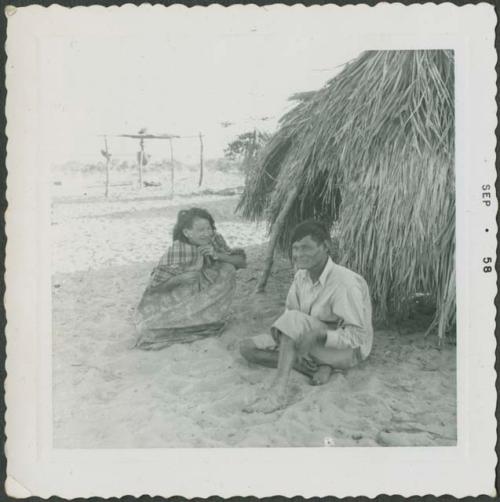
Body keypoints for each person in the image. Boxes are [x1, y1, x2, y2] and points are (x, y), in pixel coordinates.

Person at [240, 220, 373, 413]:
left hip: (346, 351)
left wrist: (319, 336)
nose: (298, 255)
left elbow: (357, 337)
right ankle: (314, 367)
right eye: (295, 248)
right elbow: (290, 313)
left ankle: (277, 393)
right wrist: (285, 335)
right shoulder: (301, 275)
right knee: (247, 348)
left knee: (293, 321)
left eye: (306, 248)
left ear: (326, 246)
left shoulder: (345, 282)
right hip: (307, 340)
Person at [135, 207, 246, 350]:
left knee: (228, 268)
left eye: (209, 228)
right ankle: (191, 322)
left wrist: (218, 255)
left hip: (208, 295)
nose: (207, 233)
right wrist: (179, 278)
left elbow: (241, 262)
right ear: (187, 232)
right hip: (183, 298)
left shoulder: (215, 240)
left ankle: (211, 318)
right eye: (201, 230)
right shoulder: (178, 250)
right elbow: (154, 287)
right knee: (148, 328)